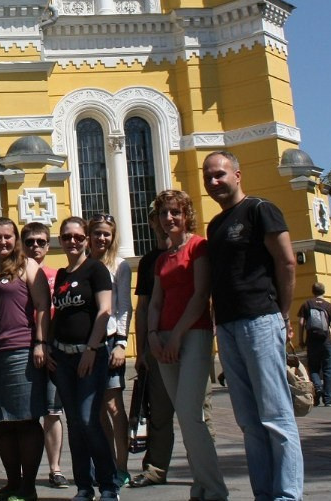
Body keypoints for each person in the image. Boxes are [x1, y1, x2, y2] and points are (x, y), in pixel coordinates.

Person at [202, 151, 303, 501]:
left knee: (275, 416)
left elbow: (286, 261)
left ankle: (287, 495)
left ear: (237, 175)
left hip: (261, 319)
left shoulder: (261, 210)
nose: (213, 181)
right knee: (248, 420)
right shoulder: (215, 226)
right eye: (208, 176)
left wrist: (282, 313)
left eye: (220, 174)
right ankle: (264, 493)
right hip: (227, 326)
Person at [145, 190, 227, 500]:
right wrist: (153, 335)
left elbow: (200, 296)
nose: (169, 218)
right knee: (184, 415)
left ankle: (215, 490)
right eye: (164, 213)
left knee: (192, 414)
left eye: (175, 212)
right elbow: (156, 301)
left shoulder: (198, 246)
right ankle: (200, 487)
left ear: (186, 214)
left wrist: (177, 335)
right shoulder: (163, 257)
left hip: (193, 334)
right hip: (164, 339)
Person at [0, 217, 50, 501]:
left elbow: (43, 305)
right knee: (2, 421)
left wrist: (41, 342)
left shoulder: (27, 265)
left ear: (16, 239)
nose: (3, 242)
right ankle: (12, 482)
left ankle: (28, 486)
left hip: (21, 350)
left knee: (25, 419)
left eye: (8, 237)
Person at [47, 216, 119, 501]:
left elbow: (105, 311)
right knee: (75, 423)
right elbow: (60, 315)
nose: (72, 242)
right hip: (62, 358)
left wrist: (91, 348)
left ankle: (109, 485)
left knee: (90, 420)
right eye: (67, 237)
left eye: (78, 237)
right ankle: (84, 486)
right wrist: (50, 347)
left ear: (86, 239)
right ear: (61, 241)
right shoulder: (62, 275)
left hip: (89, 356)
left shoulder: (96, 270)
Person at [128, 201, 177, 489]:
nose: (164, 221)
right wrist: (144, 347)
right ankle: (156, 467)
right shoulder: (149, 261)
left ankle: (203, 466)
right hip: (156, 343)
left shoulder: (193, 251)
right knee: (158, 410)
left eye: (171, 214)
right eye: (158, 216)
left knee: (199, 412)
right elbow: (143, 306)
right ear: (151, 222)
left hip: (190, 339)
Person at [20, 221, 67, 489]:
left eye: (41, 242)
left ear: (48, 246)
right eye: (29, 242)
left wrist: (49, 344)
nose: (35, 246)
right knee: (27, 415)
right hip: (23, 349)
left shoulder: (56, 275)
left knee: (52, 411)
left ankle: (56, 469)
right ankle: (27, 473)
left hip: (51, 350)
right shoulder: (15, 274)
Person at [86, 214, 132, 483]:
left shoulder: (120, 265)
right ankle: (108, 463)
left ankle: (122, 466)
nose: (102, 238)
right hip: (90, 339)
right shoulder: (85, 265)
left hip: (112, 339)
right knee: (98, 408)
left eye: (107, 234)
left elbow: (124, 305)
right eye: (97, 233)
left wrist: (123, 343)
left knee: (114, 405)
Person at [297, 283, 331, 405]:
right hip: (326, 342)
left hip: (312, 341)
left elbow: (300, 323)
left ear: (312, 291)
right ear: (324, 291)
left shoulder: (306, 304)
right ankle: (328, 400)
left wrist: (301, 340)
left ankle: (317, 388)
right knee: (328, 370)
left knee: (314, 369)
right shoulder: (330, 306)